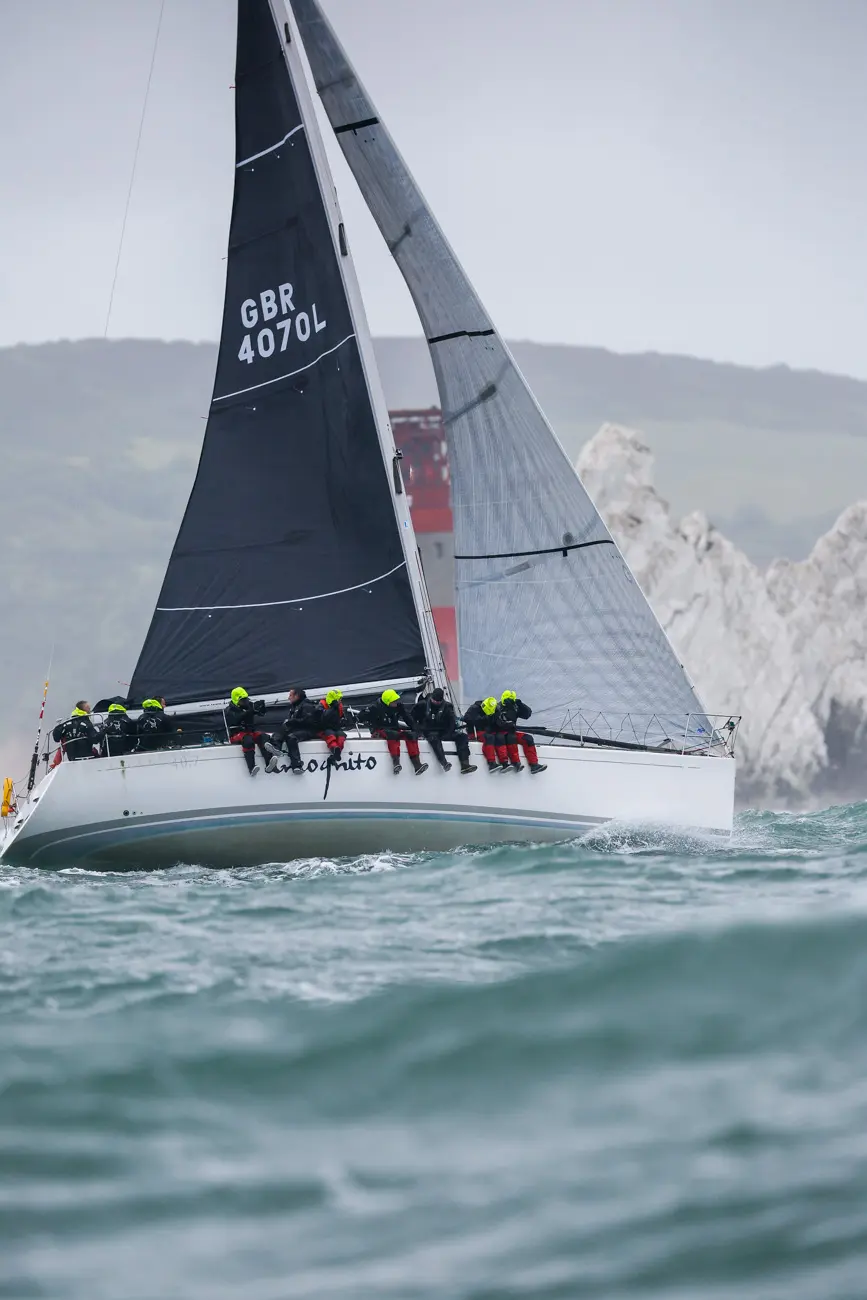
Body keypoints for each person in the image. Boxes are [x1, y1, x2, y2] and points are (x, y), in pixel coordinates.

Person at [359, 689, 428, 775]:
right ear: (388, 701)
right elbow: (361, 716)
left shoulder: (398, 706)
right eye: (394, 701)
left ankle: (417, 764)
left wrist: (416, 730)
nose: (396, 702)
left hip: (394, 729)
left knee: (411, 735)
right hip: (380, 730)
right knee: (393, 735)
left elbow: (407, 717)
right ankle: (396, 763)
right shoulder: (375, 707)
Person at [413, 688, 477, 774]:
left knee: (462, 736)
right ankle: (444, 763)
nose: (436, 703)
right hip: (428, 732)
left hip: (443, 732)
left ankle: (465, 764)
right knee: (434, 739)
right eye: (434, 701)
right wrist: (418, 731)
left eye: (438, 702)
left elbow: (452, 722)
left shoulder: (447, 706)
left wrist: (448, 733)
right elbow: (412, 718)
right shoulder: (422, 705)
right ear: (431, 698)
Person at [265, 688, 323, 774]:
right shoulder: (295, 706)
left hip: (309, 730)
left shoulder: (306, 706)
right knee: (279, 732)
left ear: (297, 696)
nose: (289, 698)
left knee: (291, 737)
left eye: (290, 695)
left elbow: (308, 722)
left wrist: (291, 721)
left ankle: (297, 766)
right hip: (298, 729)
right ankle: (276, 749)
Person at [498, 690, 547, 773]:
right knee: (511, 737)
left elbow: (527, 714)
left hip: (512, 732)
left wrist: (520, 704)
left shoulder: (515, 707)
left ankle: (534, 765)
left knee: (528, 738)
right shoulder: (498, 707)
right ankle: (515, 763)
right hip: (500, 733)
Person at [225, 687, 271, 776]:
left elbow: (261, 714)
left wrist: (261, 708)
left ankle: (269, 762)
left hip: (250, 732)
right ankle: (251, 767)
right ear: (236, 700)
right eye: (243, 700)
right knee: (248, 740)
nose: (245, 702)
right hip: (236, 734)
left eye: (246, 699)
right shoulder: (229, 710)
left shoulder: (249, 705)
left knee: (264, 736)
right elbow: (236, 719)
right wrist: (249, 711)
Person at [462, 697, 508, 773]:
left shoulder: (495, 710)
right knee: (489, 737)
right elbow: (467, 718)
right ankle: (491, 763)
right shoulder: (474, 708)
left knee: (500, 737)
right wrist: (483, 719)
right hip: (475, 732)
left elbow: (498, 722)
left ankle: (504, 762)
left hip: (488, 731)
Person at [318, 689, 348, 766]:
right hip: (323, 728)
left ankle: (336, 754)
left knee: (341, 736)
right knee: (330, 735)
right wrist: (332, 708)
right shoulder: (321, 705)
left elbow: (342, 718)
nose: (340, 701)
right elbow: (323, 718)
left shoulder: (339, 706)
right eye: (338, 699)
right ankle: (334, 748)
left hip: (336, 728)